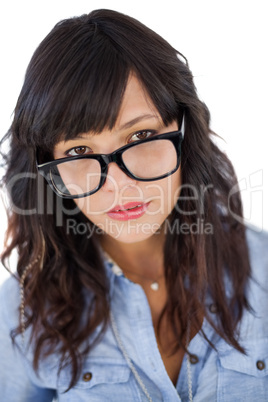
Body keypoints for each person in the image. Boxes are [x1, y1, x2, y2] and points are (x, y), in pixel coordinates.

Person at [0, 8, 267, 402]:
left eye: (140, 135)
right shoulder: (23, 312)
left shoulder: (263, 268)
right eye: (78, 150)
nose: (119, 184)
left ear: (182, 130)